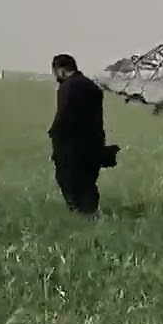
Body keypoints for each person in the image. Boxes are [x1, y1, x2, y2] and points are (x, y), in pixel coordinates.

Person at [48, 54, 107, 216]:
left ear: (60, 70)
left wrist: (54, 133)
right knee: (88, 183)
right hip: (94, 143)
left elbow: (64, 115)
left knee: (69, 181)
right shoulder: (92, 86)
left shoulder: (68, 87)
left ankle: (83, 216)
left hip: (72, 146)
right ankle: (94, 214)